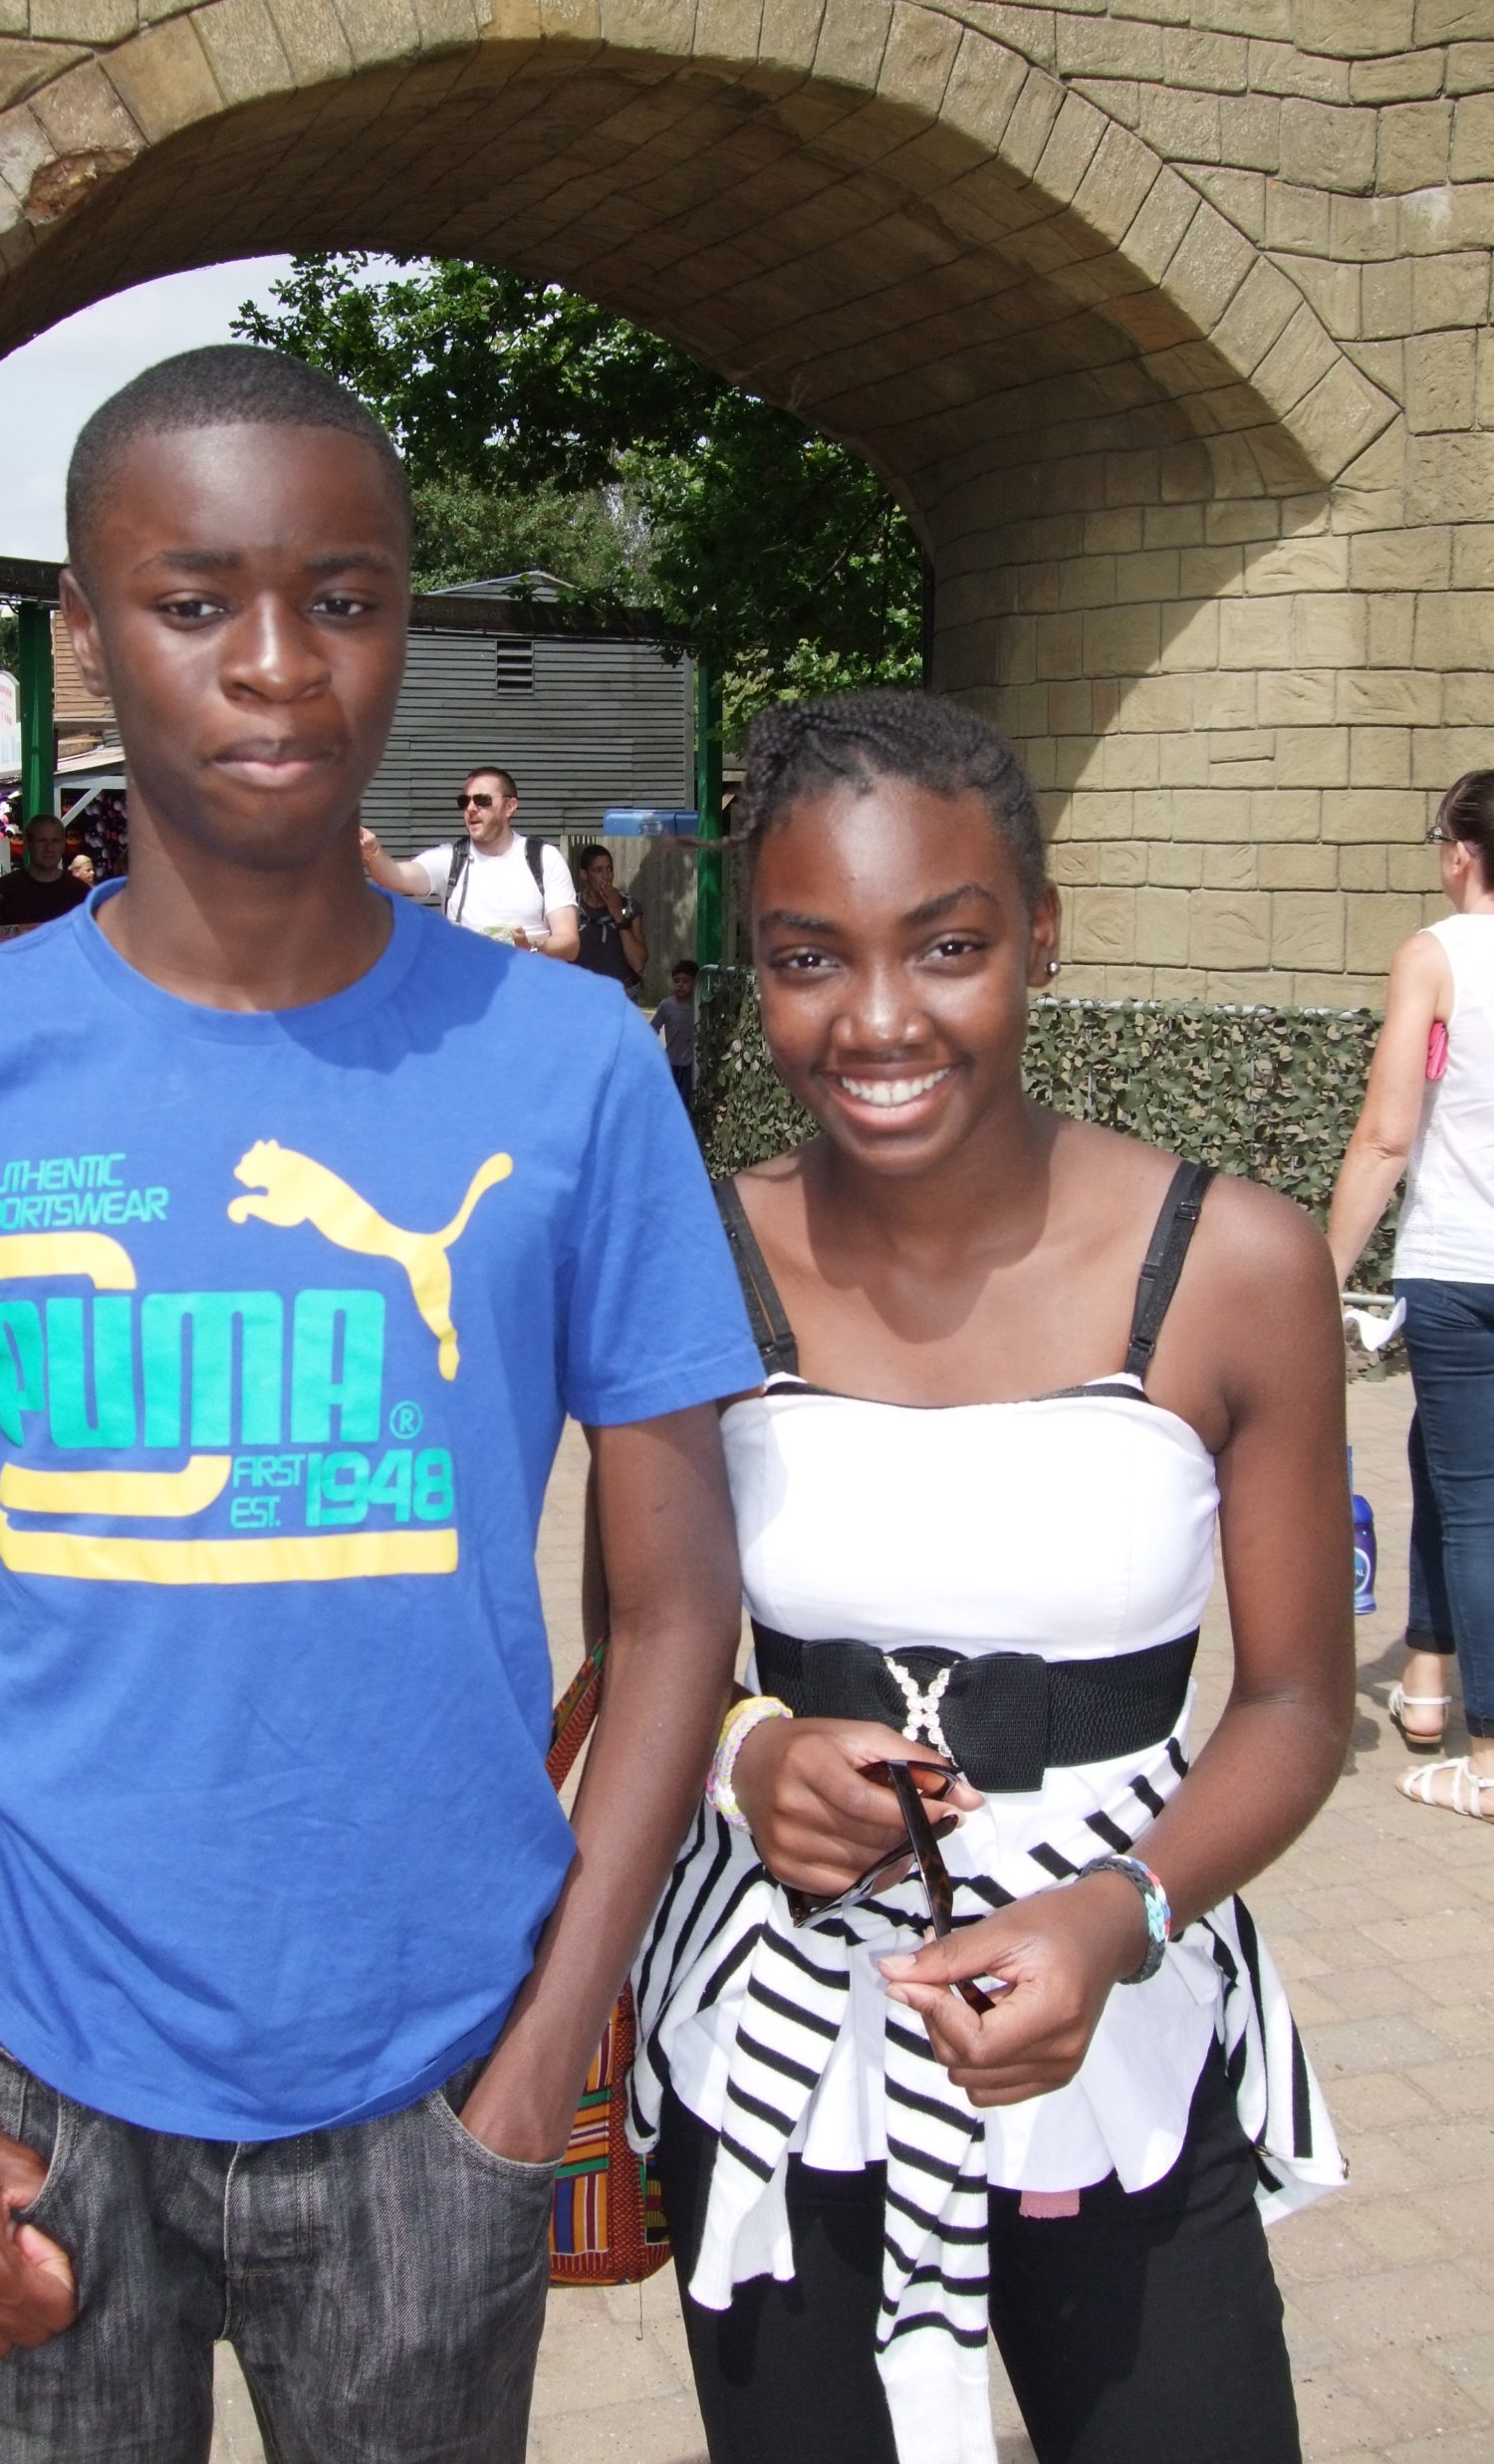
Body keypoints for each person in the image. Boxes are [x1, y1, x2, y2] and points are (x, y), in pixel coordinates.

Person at [0, 346, 759, 2464]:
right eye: (193, 598)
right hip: (14, 2078)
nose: (275, 663)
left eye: (343, 596)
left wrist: (547, 2056)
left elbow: (681, 1604)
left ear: (405, 623)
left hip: (439, 2075)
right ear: (79, 628)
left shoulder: (572, 1066)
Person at [613, 690, 1352, 2464]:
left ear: (1038, 935)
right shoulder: (694, 1259)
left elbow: (1297, 1703)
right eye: (808, 958)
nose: (879, 1019)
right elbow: (645, 1641)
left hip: (1121, 2024)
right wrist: (748, 1758)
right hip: (792, 2052)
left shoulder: (1234, 1261)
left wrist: (1121, 1912)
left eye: (945, 945)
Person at [1326, 768, 1494, 1828]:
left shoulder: (1435, 954)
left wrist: (1319, 1273)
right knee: (1438, 1460)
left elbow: (1389, 1132)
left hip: (1467, 1271)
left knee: (1484, 1502)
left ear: (1459, 850)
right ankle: (1427, 1683)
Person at [362, 771, 579, 958]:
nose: (471, 809)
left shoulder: (544, 858)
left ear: (509, 807)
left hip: (527, 995)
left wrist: (530, 945)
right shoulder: (450, 858)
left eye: (482, 800)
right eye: (464, 802)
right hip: (469, 996)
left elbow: (570, 943)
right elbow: (395, 877)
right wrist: (372, 851)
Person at [0, 815, 81, 939]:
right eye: (42, 840)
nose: (49, 848)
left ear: (63, 845)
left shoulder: (80, 893)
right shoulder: (2, 889)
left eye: (55, 840)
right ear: (27, 844)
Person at [572, 845, 646, 991]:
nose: (606, 876)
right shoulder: (572, 907)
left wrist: (618, 916)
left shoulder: (629, 906)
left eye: (609, 869)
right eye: (598, 870)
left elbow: (638, 963)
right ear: (584, 874)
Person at [651, 959, 697, 1108]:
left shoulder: (699, 1007)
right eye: (676, 981)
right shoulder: (666, 1005)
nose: (680, 985)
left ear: (695, 984)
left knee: (685, 1100)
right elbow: (653, 1029)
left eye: (686, 981)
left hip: (691, 1064)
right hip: (670, 1061)